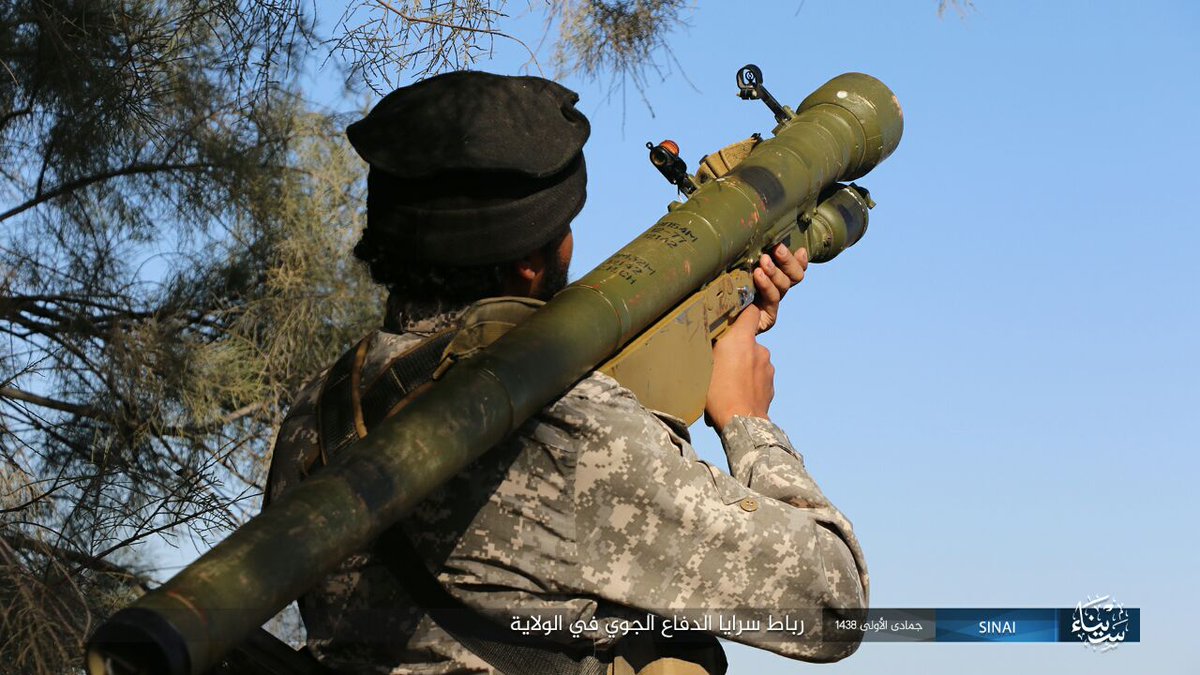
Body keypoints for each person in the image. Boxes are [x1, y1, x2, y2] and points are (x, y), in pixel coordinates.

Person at [265, 70, 867, 674]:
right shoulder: (564, 432)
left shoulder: (318, 412)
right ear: (530, 263)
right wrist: (745, 418)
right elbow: (832, 610)